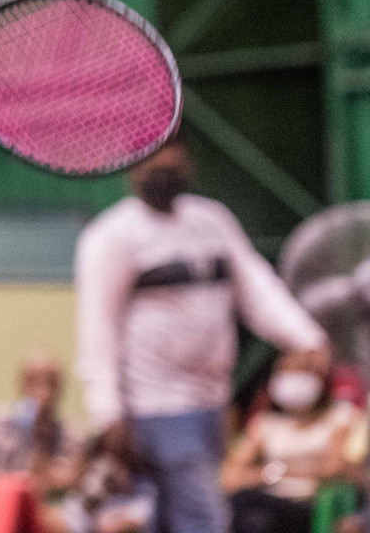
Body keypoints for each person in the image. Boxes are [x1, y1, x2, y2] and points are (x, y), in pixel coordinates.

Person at [76, 139, 329, 533]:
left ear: (187, 160)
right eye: (148, 158)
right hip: (156, 406)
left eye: (169, 152)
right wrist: (107, 411)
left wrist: (305, 337)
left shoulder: (212, 221)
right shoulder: (111, 237)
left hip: (211, 401)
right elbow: (98, 328)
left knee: (167, 517)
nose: (161, 163)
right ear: (130, 168)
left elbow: (257, 288)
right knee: (204, 519)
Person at [222, 349, 365, 533]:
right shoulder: (266, 423)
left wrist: (270, 472)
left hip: (313, 505)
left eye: (302, 372)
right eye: (285, 373)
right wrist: (284, 473)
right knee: (241, 507)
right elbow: (230, 477)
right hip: (267, 501)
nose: (293, 380)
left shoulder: (340, 417)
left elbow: (332, 469)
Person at [0, 352, 81, 500]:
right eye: (32, 382)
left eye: (50, 383)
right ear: (21, 384)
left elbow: (66, 482)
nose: (42, 392)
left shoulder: (68, 435)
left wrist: (41, 449)